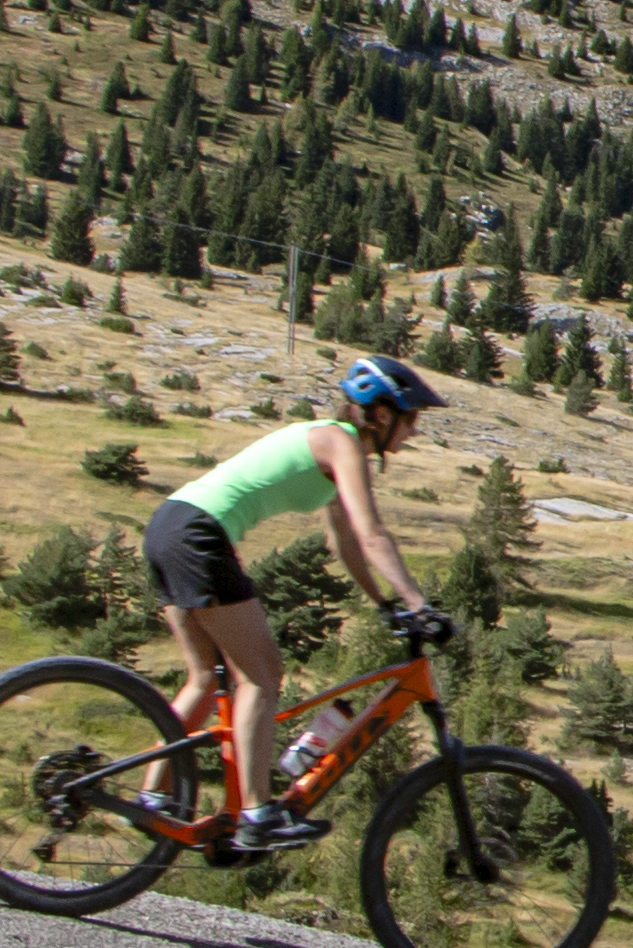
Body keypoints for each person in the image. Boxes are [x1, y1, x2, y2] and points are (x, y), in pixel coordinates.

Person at [142, 354, 447, 855]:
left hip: (170, 526)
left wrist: (386, 603)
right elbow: (373, 533)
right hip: (199, 537)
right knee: (261, 676)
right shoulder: (341, 441)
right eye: (411, 419)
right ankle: (257, 814)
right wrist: (420, 603)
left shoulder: (329, 444)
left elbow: (345, 542)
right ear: (382, 414)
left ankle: (153, 795)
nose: (414, 432)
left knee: (205, 678)